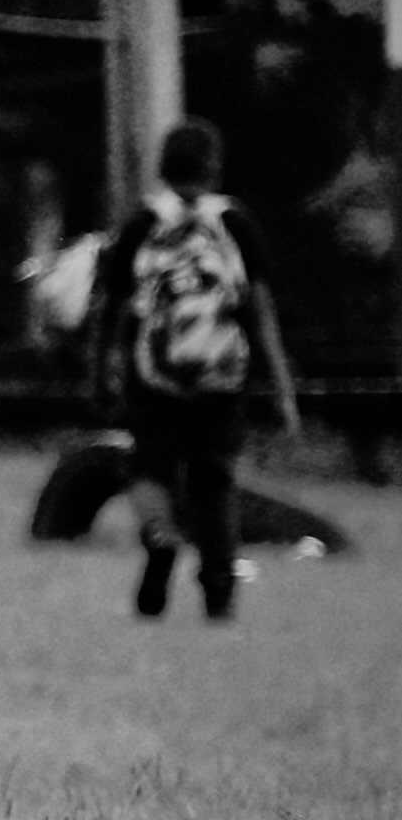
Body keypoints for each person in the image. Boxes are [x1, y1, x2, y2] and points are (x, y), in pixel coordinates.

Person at [87, 116, 302, 622]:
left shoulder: (141, 224)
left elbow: (111, 308)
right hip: (221, 379)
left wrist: (100, 371)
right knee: (215, 480)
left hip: (154, 378)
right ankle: (220, 593)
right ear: (214, 167)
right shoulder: (235, 225)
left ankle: (160, 536)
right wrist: (282, 387)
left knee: (147, 469)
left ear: (163, 167)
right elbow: (260, 312)